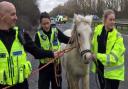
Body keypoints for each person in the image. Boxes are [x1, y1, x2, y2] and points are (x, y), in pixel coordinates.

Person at [0, 1, 63, 89]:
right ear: (1, 16)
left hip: (22, 86)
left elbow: (37, 52)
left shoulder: (21, 34)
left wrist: (52, 54)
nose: (16, 17)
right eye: (12, 14)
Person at [34, 12, 70, 89]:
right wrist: (51, 54)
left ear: (50, 21)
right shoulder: (38, 35)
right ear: (40, 24)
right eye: (44, 24)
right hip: (44, 67)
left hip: (56, 66)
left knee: (57, 87)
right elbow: (37, 54)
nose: (46, 26)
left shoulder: (56, 31)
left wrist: (77, 37)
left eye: (48, 23)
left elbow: (67, 40)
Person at [91, 9, 126, 89]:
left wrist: (97, 56)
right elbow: (93, 45)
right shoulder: (98, 30)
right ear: (104, 20)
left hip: (113, 74)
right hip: (100, 70)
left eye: (114, 20)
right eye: (110, 19)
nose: (113, 22)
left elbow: (113, 58)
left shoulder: (118, 37)